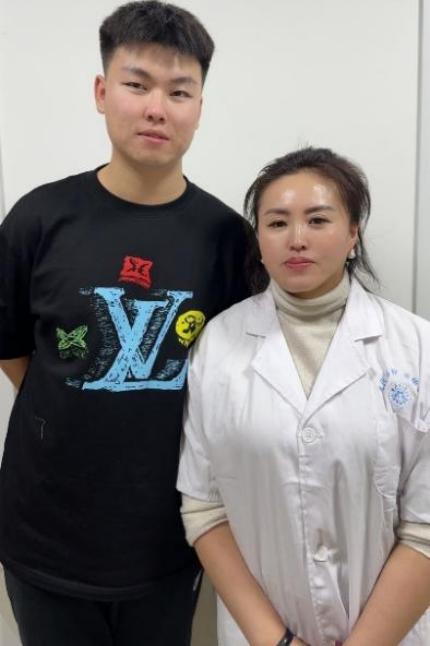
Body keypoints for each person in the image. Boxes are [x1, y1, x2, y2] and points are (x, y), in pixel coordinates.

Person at [0, 2, 251, 645]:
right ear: (101, 91)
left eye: (179, 91)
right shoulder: (37, 219)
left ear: (200, 106)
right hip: (44, 537)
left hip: (170, 538)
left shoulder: (229, 240)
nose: (156, 108)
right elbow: (15, 352)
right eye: (137, 84)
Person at [177, 147, 430, 646]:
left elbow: (425, 527)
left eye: (318, 219)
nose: (297, 239)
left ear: (353, 234)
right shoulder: (218, 343)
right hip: (261, 633)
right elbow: (204, 508)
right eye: (277, 223)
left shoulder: (417, 347)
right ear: (258, 239)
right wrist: (277, 641)